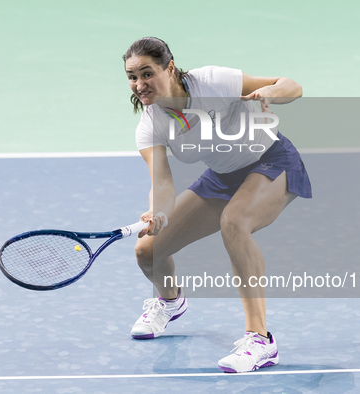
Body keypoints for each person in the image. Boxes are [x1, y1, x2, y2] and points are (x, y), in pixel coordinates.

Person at [123, 37, 311, 373]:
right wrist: (158, 212)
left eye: (146, 74)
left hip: (272, 160)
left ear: (169, 68)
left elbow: (292, 86)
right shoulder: (150, 125)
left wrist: (270, 93)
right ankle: (169, 301)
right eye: (132, 77)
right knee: (147, 251)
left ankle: (260, 341)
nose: (139, 85)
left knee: (234, 222)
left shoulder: (212, 82)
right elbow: (162, 183)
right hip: (222, 177)